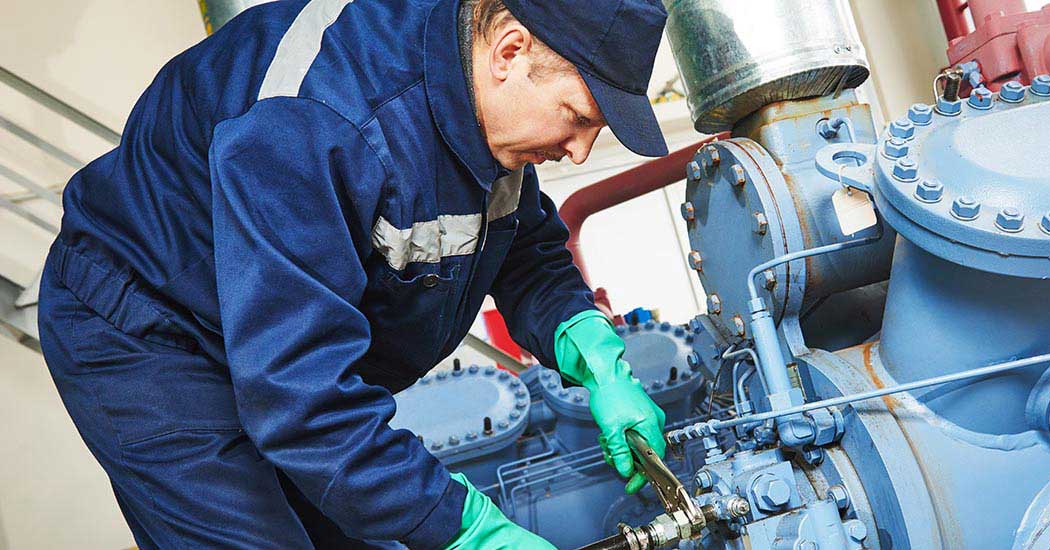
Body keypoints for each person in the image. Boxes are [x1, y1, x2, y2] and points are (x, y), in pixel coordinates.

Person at [37, 0, 670, 547]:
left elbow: (525, 251)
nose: (581, 150)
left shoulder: (485, 115)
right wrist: (466, 525)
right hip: (147, 329)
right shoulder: (318, 123)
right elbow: (301, 397)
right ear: (510, 51)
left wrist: (592, 349)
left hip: (271, 349)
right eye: (580, 116)